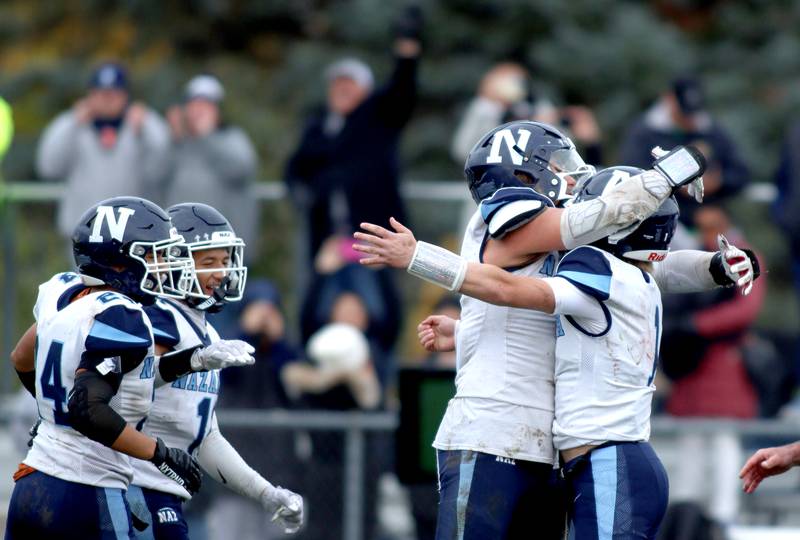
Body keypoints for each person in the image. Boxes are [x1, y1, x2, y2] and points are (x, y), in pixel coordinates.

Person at [352, 118, 734, 539]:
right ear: (520, 175)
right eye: (554, 162)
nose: (569, 173)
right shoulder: (505, 222)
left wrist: (714, 267)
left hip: (545, 446)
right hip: (491, 432)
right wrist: (660, 180)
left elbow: (641, 267)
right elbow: (521, 274)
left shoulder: (573, 254)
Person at [5, 196, 202, 539]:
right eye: (152, 255)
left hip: (32, 482)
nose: (162, 266)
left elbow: (21, 357)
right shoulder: (122, 314)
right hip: (86, 489)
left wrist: (54, 413)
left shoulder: (64, 291)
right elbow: (88, 409)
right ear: (120, 263)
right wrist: (160, 453)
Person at [127, 203, 303, 539]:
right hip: (128, 486)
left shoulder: (209, 334)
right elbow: (128, 384)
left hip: (163, 493)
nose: (220, 273)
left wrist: (265, 492)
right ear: (171, 262)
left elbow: (206, 438)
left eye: (224, 262)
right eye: (208, 262)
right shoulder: (156, 316)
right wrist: (193, 360)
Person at [284, 6, 422, 261]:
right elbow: (296, 167)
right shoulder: (318, 125)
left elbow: (403, 89)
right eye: (338, 83)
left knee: (374, 298)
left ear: (366, 90)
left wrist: (407, 46)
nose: (342, 88)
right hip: (325, 234)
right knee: (324, 297)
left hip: (375, 234)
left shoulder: (378, 118)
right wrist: (303, 195)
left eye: (350, 83)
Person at [36, 63, 171, 241]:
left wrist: (148, 123)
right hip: (84, 232)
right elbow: (48, 167)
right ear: (89, 96)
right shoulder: (75, 126)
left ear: (126, 96)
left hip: (134, 232)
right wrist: (71, 122)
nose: (107, 99)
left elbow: (164, 167)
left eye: (114, 94)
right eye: (101, 93)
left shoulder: (139, 126)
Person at [618, 75, 750, 225]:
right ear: (669, 99)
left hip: (712, 220)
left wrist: (719, 181)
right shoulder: (646, 132)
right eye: (684, 111)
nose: (690, 118)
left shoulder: (711, 131)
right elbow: (633, 175)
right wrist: (671, 182)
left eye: (694, 112)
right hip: (661, 220)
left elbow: (741, 173)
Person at [164, 76, 259, 253]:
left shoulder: (233, 138)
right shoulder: (179, 144)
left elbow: (241, 169)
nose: (199, 111)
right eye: (194, 105)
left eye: (206, 105)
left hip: (224, 247)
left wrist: (207, 137)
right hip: (182, 247)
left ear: (218, 111)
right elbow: (154, 177)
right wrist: (173, 140)